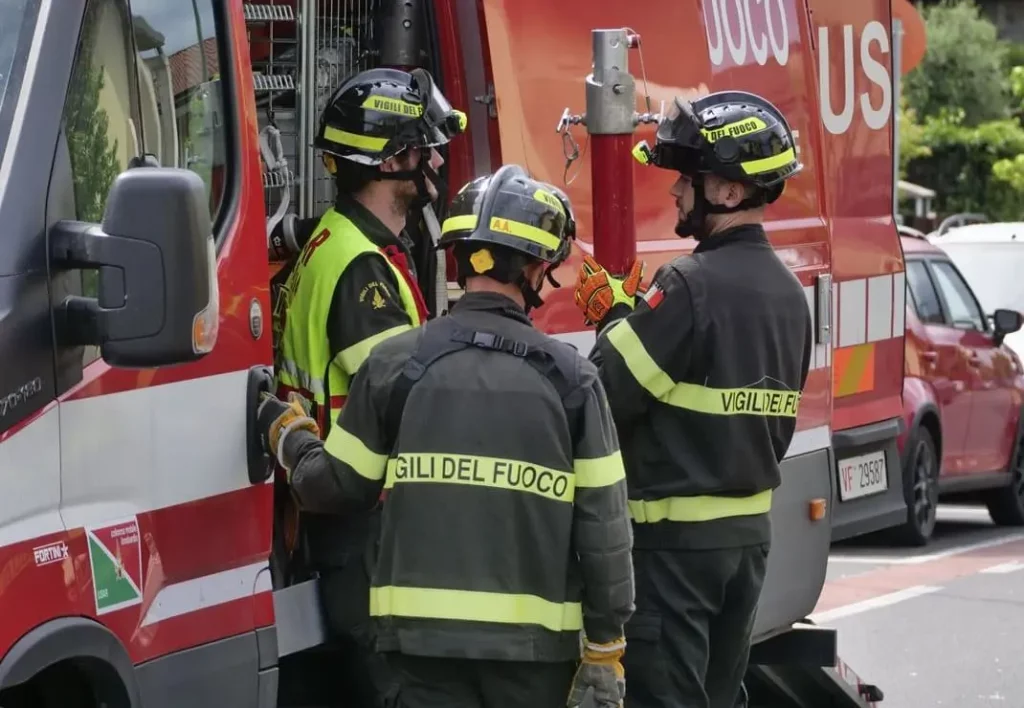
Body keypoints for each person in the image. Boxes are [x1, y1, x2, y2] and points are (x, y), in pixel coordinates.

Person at [257, 164, 636, 708]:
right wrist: (605, 647)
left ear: (457, 255)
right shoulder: (572, 382)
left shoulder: (395, 364)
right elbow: (605, 529)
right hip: (533, 662)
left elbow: (333, 487)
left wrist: (287, 432)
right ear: (536, 267)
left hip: (417, 655)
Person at [572, 90, 813, 708]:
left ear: (730, 192)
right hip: (747, 544)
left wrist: (613, 320)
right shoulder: (790, 294)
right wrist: (632, 316)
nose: (676, 192)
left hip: (675, 555)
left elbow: (604, 388)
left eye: (688, 179)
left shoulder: (687, 285)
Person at [269, 65, 466, 708]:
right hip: (364, 523)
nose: (434, 159)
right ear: (387, 163)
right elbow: (412, 401)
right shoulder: (362, 268)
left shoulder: (336, 240)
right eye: (420, 148)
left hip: (336, 515)